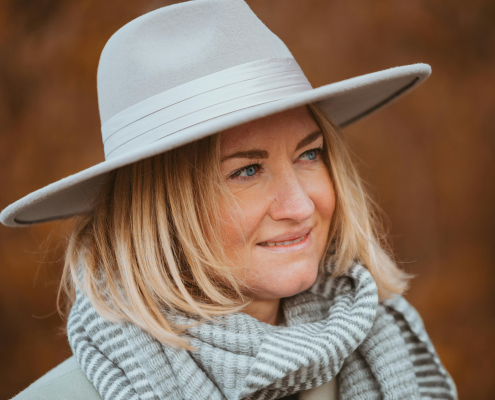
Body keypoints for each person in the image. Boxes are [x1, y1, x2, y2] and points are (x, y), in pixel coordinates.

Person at [2, 0, 457, 399]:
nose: (300, 206)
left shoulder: (389, 343)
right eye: (247, 170)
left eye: (309, 154)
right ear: (158, 215)